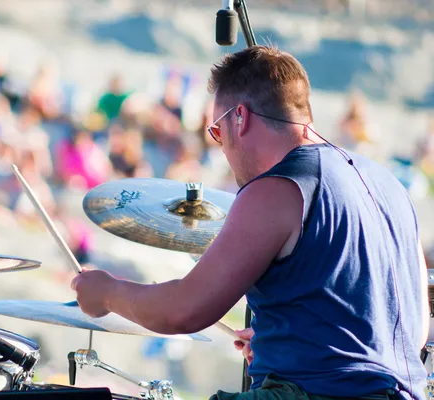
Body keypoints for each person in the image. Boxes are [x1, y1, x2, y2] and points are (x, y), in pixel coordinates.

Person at [71, 45, 429, 400]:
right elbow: (416, 331)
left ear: (240, 117)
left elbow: (183, 310)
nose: (221, 147)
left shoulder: (279, 187)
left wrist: (106, 293)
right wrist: (293, 341)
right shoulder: (391, 186)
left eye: (216, 131)